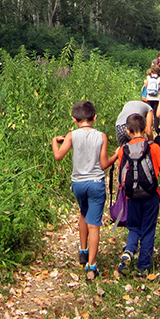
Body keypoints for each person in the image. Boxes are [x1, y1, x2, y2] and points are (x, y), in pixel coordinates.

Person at [103, 113, 160, 277]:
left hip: (131, 196)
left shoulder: (123, 150)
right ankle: (142, 268)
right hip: (151, 195)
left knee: (134, 227)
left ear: (127, 131)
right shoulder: (153, 148)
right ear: (145, 129)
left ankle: (128, 251)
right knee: (148, 230)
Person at [52, 100, 110, 280]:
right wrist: (116, 155)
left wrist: (55, 141)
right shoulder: (101, 136)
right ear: (95, 118)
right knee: (94, 224)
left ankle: (82, 252)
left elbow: (58, 156)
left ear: (74, 120)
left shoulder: (71, 135)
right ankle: (92, 266)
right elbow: (103, 164)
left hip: (78, 184)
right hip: (95, 183)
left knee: (83, 214)